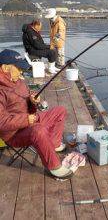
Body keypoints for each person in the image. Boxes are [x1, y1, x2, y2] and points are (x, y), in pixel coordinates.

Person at [0, 49, 73, 179]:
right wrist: (27, 120)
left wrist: (33, 101)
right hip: (13, 134)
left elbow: (28, 100)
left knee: (60, 111)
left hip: (29, 121)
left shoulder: (18, 81)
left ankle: (54, 144)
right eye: (18, 68)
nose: (21, 71)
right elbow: (2, 122)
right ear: (5, 68)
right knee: (38, 130)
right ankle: (54, 167)